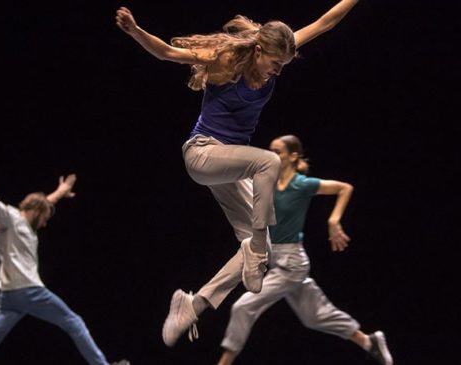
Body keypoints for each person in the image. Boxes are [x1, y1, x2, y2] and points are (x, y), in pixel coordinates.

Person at [115, 0, 361, 347]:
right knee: (269, 164)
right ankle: (258, 248)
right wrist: (136, 31)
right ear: (260, 50)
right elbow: (169, 54)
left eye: (283, 67)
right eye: (275, 64)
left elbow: (324, 22)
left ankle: (194, 304)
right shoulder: (225, 59)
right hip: (202, 153)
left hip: (232, 165)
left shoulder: (279, 51)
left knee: (265, 252)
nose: (276, 72)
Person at [216, 135, 393, 365]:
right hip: (275, 258)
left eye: (278, 152)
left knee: (243, 306)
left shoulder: (302, 185)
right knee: (314, 315)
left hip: (291, 262)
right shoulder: (266, 181)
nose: (272, 155)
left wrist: (334, 221)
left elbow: (344, 188)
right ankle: (369, 342)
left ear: (293, 156)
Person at [0, 172, 129, 365]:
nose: (44, 223)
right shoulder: (11, 218)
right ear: (36, 212)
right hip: (29, 291)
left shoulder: (27, 222)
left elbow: (45, 202)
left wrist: (60, 192)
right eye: (45, 218)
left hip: (9, 297)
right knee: (74, 322)